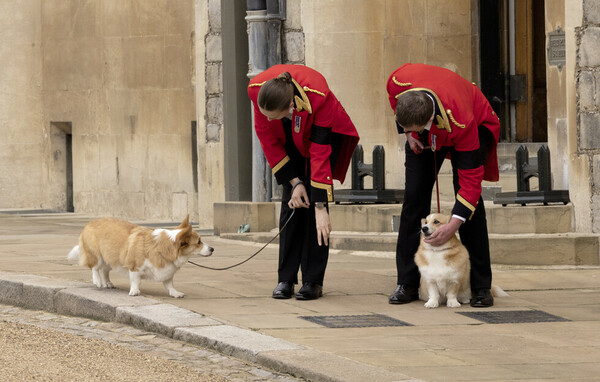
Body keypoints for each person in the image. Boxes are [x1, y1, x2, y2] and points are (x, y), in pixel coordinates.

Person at [385, 63, 500, 307]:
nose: (411, 132)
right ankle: (406, 282)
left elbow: (470, 184)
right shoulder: (398, 81)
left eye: (415, 129)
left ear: (428, 119)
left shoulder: (462, 121)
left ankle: (480, 286)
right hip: (430, 119)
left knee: (470, 207)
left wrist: (452, 225)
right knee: (414, 197)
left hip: (475, 123)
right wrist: (410, 135)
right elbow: (394, 101)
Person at [248, 64, 359, 300]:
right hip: (287, 139)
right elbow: (267, 138)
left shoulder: (319, 97)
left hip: (318, 134)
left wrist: (321, 208)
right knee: (291, 203)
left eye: (271, 115)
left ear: (289, 106)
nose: (265, 118)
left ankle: (313, 280)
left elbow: (320, 154)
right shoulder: (257, 90)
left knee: (316, 212)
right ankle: (285, 279)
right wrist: (295, 182)